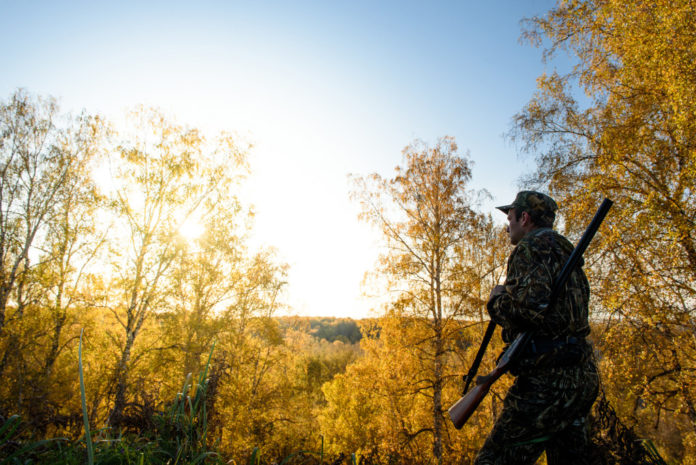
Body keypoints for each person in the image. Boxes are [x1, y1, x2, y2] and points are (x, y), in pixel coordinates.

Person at [474, 191, 599, 465]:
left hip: (546, 384)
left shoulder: (530, 249)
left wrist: (496, 301)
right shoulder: (568, 256)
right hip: (581, 378)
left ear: (525, 217)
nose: (508, 225)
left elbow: (529, 314)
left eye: (510, 218)